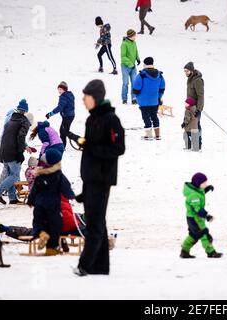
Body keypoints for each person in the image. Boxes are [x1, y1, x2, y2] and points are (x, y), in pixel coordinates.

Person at [69, 79, 125, 276]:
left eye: (86, 96)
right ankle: (101, 267)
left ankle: (85, 265)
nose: (83, 100)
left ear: (96, 97)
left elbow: (119, 148)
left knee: (94, 224)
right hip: (90, 179)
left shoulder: (110, 119)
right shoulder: (91, 119)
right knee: (97, 222)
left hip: (102, 180)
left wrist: (91, 147)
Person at [27, 148, 75, 256]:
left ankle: (41, 234)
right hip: (53, 204)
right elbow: (66, 187)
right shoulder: (58, 175)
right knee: (55, 225)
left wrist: (30, 200)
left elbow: (34, 189)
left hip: (39, 204)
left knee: (38, 222)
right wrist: (71, 195)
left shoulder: (40, 175)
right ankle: (52, 247)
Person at [0, 99, 33, 205]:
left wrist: (24, 147)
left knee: (11, 174)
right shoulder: (24, 122)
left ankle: (12, 198)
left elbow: (8, 137)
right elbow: (20, 137)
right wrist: (20, 153)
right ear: (25, 111)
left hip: (4, 151)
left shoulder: (11, 120)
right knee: (14, 175)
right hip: (12, 152)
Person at [180, 173, 222, 259]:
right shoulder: (193, 195)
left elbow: (200, 193)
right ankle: (211, 252)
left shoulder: (195, 190)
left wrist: (207, 188)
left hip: (192, 217)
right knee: (204, 233)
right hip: (195, 218)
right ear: (198, 183)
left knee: (194, 235)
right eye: (204, 183)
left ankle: (184, 251)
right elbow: (197, 209)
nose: (205, 184)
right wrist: (207, 216)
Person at [132, 57, 166, 140]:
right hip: (154, 101)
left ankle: (149, 135)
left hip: (143, 101)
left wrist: (137, 96)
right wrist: (158, 97)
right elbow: (162, 88)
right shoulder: (159, 75)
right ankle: (157, 135)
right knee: (154, 116)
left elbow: (136, 88)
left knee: (146, 117)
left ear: (145, 64)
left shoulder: (142, 75)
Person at [45, 81, 75, 148]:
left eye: (61, 89)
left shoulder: (63, 97)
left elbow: (59, 108)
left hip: (67, 116)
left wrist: (50, 114)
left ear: (64, 89)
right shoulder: (69, 95)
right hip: (70, 115)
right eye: (58, 89)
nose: (59, 91)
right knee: (64, 131)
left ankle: (77, 140)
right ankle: (63, 145)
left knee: (63, 131)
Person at [184, 62, 204, 149]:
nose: (186, 73)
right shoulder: (190, 79)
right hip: (190, 107)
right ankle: (191, 143)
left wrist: (199, 109)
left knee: (196, 125)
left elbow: (200, 96)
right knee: (190, 125)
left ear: (192, 71)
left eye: (187, 71)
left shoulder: (197, 80)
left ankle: (198, 144)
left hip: (195, 108)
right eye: (184, 71)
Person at [121, 29, 141, 104]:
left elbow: (136, 51)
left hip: (133, 66)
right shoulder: (124, 44)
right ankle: (124, 99)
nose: (135, 36)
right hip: (125, 67)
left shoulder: (134, 42)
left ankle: (134, 98)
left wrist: (138, 58)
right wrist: (130, 64)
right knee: (125, 83)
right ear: (131, 36)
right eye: (134, 35)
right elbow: (123, 57)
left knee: (134, 82)